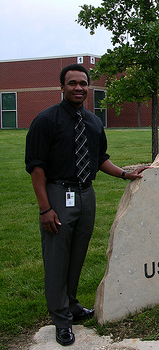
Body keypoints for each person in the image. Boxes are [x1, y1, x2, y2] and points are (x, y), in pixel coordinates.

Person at [25, 64, 148, 346]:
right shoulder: (46, 120)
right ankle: (61, 319)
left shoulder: (93, 122)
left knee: (77, 254)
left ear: (88, 86)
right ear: (62, 87)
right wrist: (45, 208)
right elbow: (36, 168)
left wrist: (124, 174)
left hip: (85, 194)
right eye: (72, 83)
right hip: (58, 192)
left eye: (83, 83)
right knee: (57, 259)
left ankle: (71, 305)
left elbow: (99, 157)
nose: (78, 88)